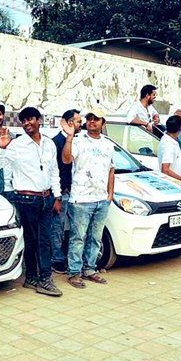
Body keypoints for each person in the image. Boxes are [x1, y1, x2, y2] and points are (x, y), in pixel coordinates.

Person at [0, 106, 63, 296]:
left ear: (38, 120)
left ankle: (41, 278)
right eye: (23, 121)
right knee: (32, 241)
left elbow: (54, 171)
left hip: (46, 199)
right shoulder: (16, 145)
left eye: (30, 119)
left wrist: (57, 196)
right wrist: (1, 147)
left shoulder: (49, 144)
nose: (27, 123)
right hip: (26, 199)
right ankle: (37, 278)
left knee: (44, 240)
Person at [61, 107, 114, 287]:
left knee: (95, 238)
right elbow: (66, 160)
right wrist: (68, 138)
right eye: (89, 118)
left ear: (102, 123)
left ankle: (90, 269)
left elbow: (111, 170)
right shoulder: (77, 141)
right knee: (78, 237)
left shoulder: (108, 144)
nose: (92, 121)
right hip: (81, 199)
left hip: (101, 199)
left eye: (96, 119)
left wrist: (110, 195)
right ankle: (74, 272)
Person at [50, 109, 79, 274]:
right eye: (78, 122)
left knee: (72, 228)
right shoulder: (56, 142)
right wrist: (57, 196)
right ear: (69, 123)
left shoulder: (78, 141)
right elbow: (54, 171)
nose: (80, 125)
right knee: (58, 227)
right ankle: (57, 259)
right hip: (62, 193)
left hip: (76, 193)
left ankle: (68, 258)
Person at [159, 116, 181, 186]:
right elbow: (165, 170)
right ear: (180, 128)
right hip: (171, 184)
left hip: (177, 183)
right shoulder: (168, 144)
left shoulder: (171, 140)